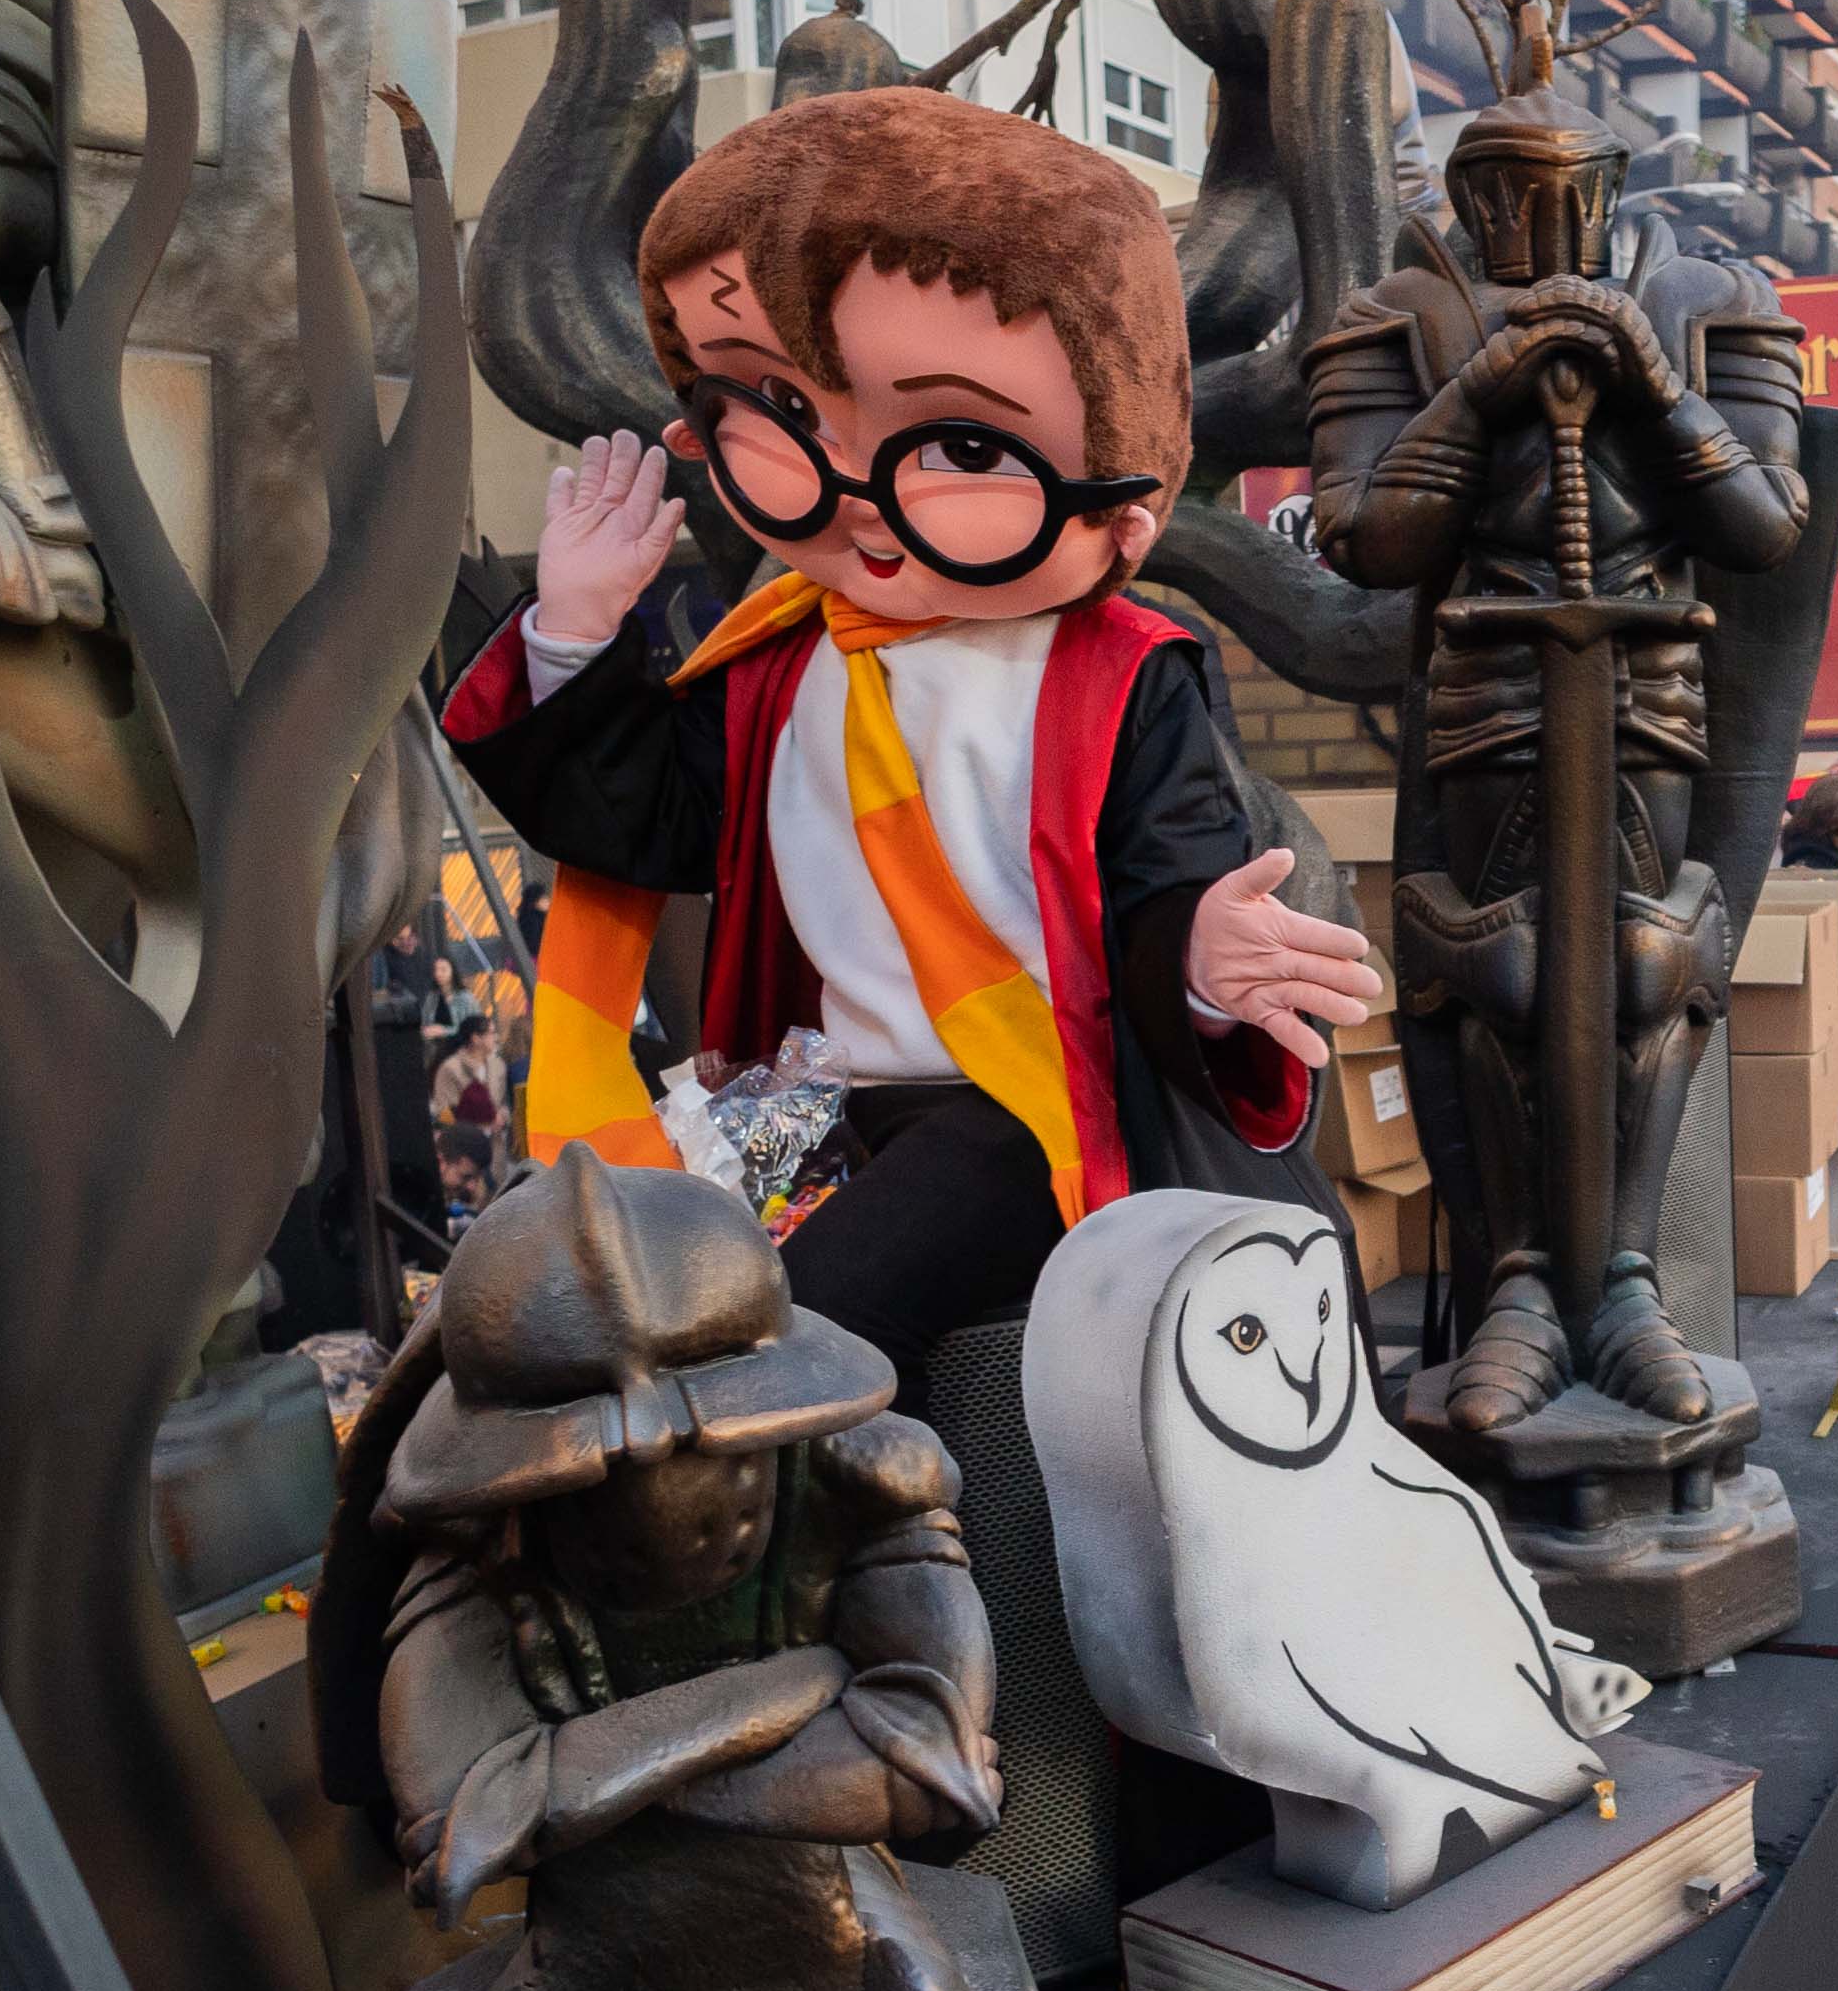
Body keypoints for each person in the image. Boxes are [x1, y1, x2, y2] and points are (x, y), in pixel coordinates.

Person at [446, 85, 1373, 1394]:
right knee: (585, 1274)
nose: (868, 504)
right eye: (783, 422)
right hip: (807, 1101)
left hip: (1028, 1106)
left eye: (958, 446)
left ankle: (853, 1576)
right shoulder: (778, 660)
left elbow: (1167, 878)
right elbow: (638, 818)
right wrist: (576, 632)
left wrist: (1202, 964)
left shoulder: (1120, 676)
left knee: (795, 1322)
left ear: (1122, 485)